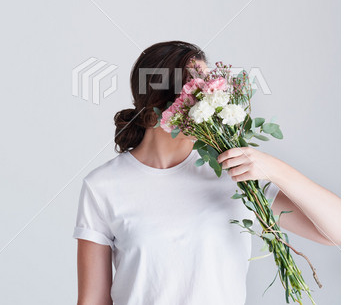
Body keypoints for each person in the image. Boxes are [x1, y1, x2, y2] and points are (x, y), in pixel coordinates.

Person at [72, 40, 341, 305]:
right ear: (158, 103)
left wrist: (274, 169)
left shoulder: (234, 171)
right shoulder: (103, 186)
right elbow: (92, 299)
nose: (211, 101)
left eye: (211, 88)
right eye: (196, 90)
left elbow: (341, 233)